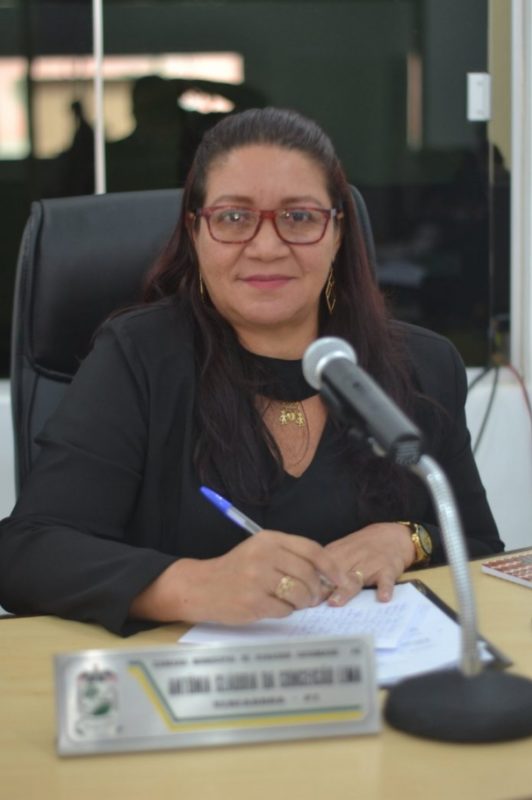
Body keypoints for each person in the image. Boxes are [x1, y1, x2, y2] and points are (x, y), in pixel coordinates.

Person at [0, 107, 503, 635]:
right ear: (196, 231)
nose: (266, 247)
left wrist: (409, 539)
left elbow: (480, 546)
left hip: (379, 675)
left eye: (299, 217)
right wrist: (195, 585)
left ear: (337, 232)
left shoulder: (423, 364)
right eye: (234, 218)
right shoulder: (138, 357)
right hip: (188, 679)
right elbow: (27, 551)